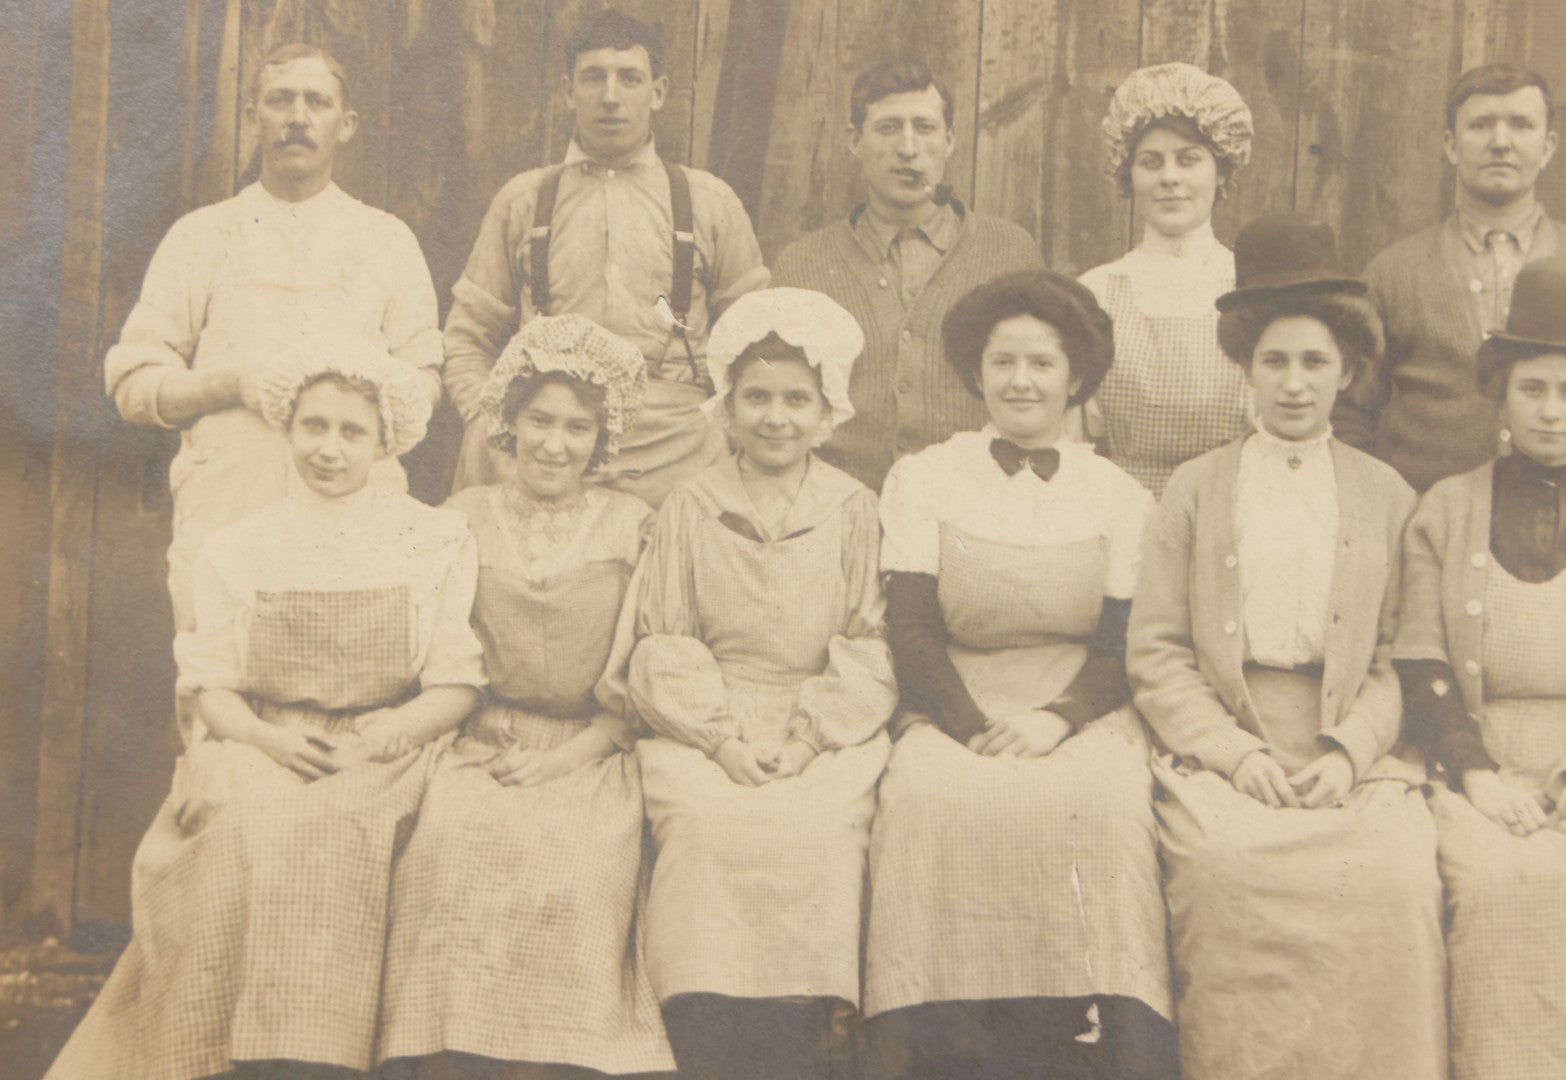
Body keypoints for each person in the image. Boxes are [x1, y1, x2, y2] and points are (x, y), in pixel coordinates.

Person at [46, 344, 486, 1080]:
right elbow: (211, 685)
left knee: (368, 830)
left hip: (388, 743)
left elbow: (457, 684)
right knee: (254, 826)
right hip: (263, 738)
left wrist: (389, 733)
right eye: (314, 427)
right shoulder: (240, 544)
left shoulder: (432, 537)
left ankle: (346, 1058)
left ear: (384, 444)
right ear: (286, 430)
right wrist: (263, 738)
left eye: (352, 432)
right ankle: (237, 1054)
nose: (329, 449)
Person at [1126, 214, 1446, 1079]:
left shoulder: (1387, 494)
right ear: (1245, 368)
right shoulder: (1196, 488)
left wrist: (1348, 754)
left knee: (1394, 879)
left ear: (1348, 372)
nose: (1295, 385)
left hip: (1352, 738)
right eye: (1275, 362)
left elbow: (1400, 654)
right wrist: (1231, 753)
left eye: (1315, 364)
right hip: (1228, 732)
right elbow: (1156, 651)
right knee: (1225, 872)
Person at [863, 270, 1174, 1080]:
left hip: (1080, 706)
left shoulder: (1119, 494)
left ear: (1077, 379)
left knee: (1104, 807)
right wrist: (968, 727)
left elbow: (1122, 645)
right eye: (1003, 362)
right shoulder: (925, 476)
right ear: (976, 373)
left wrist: (1056, 719)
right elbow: (913, 628)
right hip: (953, 698)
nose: (1022, 381)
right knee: (929, 801)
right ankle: (934, 1044)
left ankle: (1099, 1044)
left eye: (1043, 363)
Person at [377, 314, 674, 1078]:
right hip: (480, 741)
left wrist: (572, 755)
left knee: (574, 866)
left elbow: (641, 669)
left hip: (592, 750)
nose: (555, 443)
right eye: (539, 420)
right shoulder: (459, 518)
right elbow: (427, 656)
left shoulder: (635, 524)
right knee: (449, 851)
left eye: (578, 427)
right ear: (507, 421)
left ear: (602, 440)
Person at [619, 288, 897, 1079]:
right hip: (706, 715)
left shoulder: (853, 507)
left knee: (819, 827)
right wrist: (720, 738)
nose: (777, 417)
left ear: (827, 411)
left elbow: (870, 640)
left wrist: (811, 738)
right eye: (758, 399)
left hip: (823, 717)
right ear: (728, 409)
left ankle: (809, 1033)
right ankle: (703, 1027)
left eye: (796, 401)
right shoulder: (690, 505)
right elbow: (664, 638)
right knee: (707, 824)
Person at [103, 42, 443, 648]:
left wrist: (357, 420)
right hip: (229, 502)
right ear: (251, 116)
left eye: (317, 101)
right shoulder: (201, 237)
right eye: (280, 99)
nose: (297, 116)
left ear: (347, 124)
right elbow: (133, 384)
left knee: (347, 689)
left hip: (353, 522)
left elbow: (423, 381)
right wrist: (229, 383)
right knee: (219, 695)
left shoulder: (386, 241)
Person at [444, 9, 768, 506]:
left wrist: (719, 430)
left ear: (658, 92)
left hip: (674, 444)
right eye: (593, 78)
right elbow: (468, 335)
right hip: (547, 441)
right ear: (568, 91)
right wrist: (490, 421)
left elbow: (757, 339)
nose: (611, 97)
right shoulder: (523, 200)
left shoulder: (709, 202)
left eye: (630, 79)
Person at [1395, 255, 1566, 1079]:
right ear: (1500, 398)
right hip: (1479, 761)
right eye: (1533, 389)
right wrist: (1481, 774)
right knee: (1501, 890)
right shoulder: (1449, 507)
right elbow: (1421, 658)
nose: (1554, 411)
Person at [772, 59, 1043, 492]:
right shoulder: (802, 265)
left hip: (974, 503)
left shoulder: (1010, 252)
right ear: (854, 141)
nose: (909, 148)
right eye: (888, 128)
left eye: (925, 127)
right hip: (839, 506)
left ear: (950, 140)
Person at [1336, 63, 1561, 492]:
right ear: (1451, 145)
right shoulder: (1393, 273)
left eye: (1521, 124)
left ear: (1548, 146)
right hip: (1424, 532)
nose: (1501, 142)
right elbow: (1349, 414)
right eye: (1480, 125)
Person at [1075, 62, 1255, 497]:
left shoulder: (1251, 291)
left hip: (1227, 510)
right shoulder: (1094, 294)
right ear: (1128, 175)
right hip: (1120, 513)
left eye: (1189, 159)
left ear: (1223, 170)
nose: (1169, 178)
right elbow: (1071, 445)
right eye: (1151, 162)